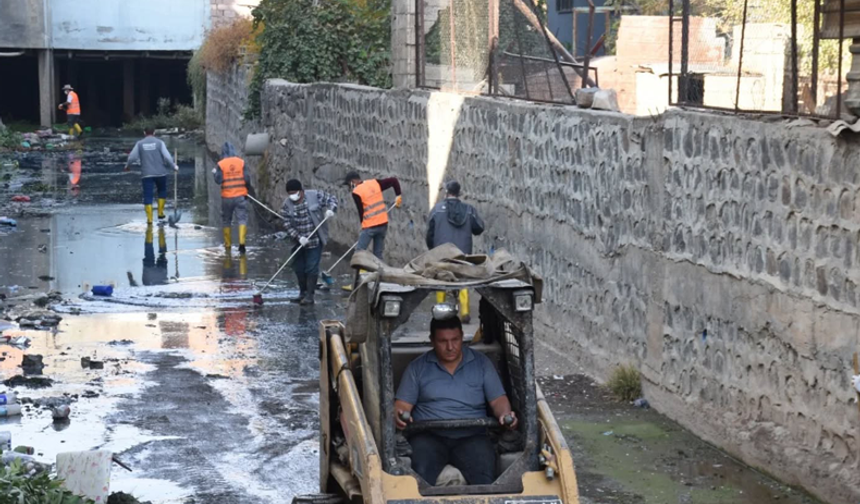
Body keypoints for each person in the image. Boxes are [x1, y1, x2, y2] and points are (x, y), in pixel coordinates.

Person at [394, 315, 517, 486]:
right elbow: (402, 405)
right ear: (432, 341)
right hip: (429, 436)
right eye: (443, 341)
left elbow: (498, 400)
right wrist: (399, 415)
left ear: (462, 337)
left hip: (472, 436)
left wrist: (505, 414)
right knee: (419, 476)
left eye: (455, 340)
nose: (450, 347)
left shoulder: (481, 364)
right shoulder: (417, 368)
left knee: (484, 476)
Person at [426, 180, 485, 324]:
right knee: (462, 279)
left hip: (441, 253)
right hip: (462, 254)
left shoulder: (437, 209)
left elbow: (429, 234)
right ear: (459, 193)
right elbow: (479, 228)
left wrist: (433, 249)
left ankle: (440, 310)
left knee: (441, 279)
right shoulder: (469, 210)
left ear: (446, 192)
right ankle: (464, 311)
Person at [280, 179, 338, 305]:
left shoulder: (314, 196)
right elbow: (286, 223)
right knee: (299, 268)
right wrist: (298, 237)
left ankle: (310, 296)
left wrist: (331, 209)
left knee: (311, 268)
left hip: (315, 240)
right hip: (298, 242)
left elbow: (332, 199)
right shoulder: (287, 204)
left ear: (301, 191)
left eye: (294, 192)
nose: (292, 196)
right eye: (290, 193)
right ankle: (303, 293)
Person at [344, 171, 402, 261]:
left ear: (353, 181)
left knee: (359, 253)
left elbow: (361, 211)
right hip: (383, 224)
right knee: (378, 255)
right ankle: (379, 274)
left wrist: (362, 227)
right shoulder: (374, 183)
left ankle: (361, 274)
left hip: (369, 227)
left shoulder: (356, 192)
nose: (349, 187)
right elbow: (394, 180)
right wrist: (398, 195)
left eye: (349, 184)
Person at [125, 127, 177, 225]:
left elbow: (132, 157)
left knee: (147, 195)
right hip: (160, 173)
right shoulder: (159, 143)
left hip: (147, 174)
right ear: (154, 132)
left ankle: (149, 219)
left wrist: (127, 166)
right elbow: (167, 157)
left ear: (144, 133)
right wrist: (173, 166)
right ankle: (160, 213)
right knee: (162, 191)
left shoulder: (139, 144)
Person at [213, 142, 252, 254]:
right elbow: (247, 179)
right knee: (242, 219)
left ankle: (228, 245)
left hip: (227, 197)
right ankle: (242, 244)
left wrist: (214, 173)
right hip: (240, 196)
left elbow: (218, 180)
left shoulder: (221, 164)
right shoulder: (241, 162)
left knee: (226, 220)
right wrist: (246, 191)